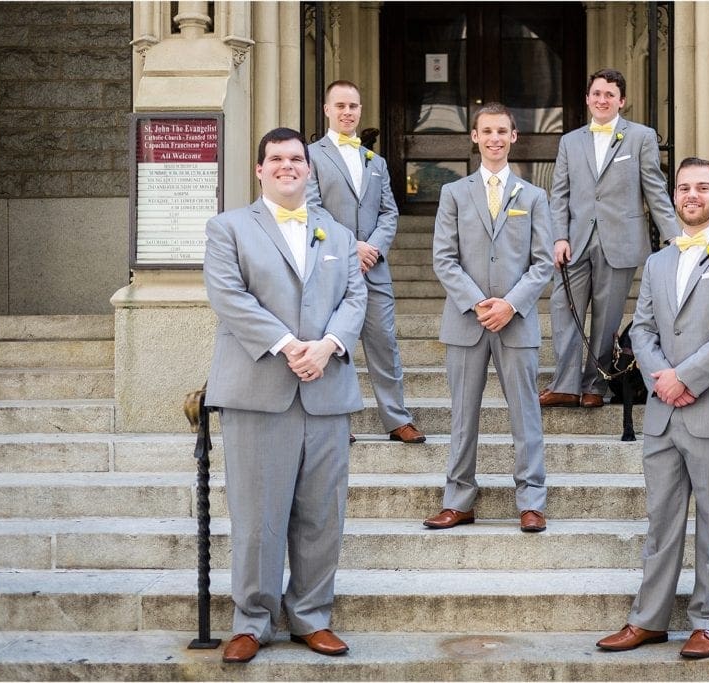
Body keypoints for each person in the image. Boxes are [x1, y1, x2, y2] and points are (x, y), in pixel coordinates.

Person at [596, 157, 709, 659]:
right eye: (683, 188)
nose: (690, 195)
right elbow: (643, 330)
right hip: (664, 412)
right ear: (673, 196)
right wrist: (662, 383)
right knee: (661, 521)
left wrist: (686, 378)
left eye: (702, 187)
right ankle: (647, 619)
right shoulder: (658, 261)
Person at [204, 127, 367, 663]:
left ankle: (311, 617)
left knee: (323, 515)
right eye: (276, 159)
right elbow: (228, 295)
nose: (287, 166)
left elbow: (354, 297)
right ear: (259, 169)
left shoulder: (337, 235)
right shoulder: (228, 228)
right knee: (257, 515)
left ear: (309, 168)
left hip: (326, 389)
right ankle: (252, 621)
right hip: (260, 390)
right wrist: (287, 344)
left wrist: (328, 346)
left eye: (296, 158)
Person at [423, 102, 554, 533]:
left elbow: (542, 264)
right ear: (475, 137)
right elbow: (444, 259)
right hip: (466, 321)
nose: (495, 138)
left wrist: (509, 305)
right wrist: (479, 302)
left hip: (516, 321)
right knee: (463, 416)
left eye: (503, 131)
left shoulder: (534, 197)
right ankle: (458, 500)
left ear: (514, 136)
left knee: (525, 415)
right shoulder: (454, 194)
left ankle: (531, 501)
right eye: (487, 131)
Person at [540, 67, 678, 409]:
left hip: (620, 240)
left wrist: (674, 235)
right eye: (597, 94)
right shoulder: (569, 141)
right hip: (574, 241)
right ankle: (566, 384)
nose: (602, 100)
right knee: (563, 310)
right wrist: (558, 236)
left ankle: (595, 386)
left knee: (607, 318)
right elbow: (559, 195)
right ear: (588, 99)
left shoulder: (641, 137)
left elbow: (655, 192)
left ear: (622, 102)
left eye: (610, 95)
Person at [306, 79, 425, 444]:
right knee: (332, 342)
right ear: (327, 110)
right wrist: (350, 248)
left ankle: (397, 418)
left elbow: (390, 212)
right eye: (340, 106)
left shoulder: (375, 161)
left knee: (384, 343)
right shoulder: (310, 155)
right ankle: (337, 419)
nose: (347, 112)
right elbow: (311, 208)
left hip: (374, 270)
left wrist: (372, 248)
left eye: (353, 106)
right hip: (331, 267)